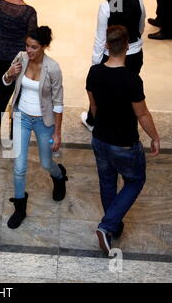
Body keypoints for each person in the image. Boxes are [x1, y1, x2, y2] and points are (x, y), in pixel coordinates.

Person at [86, 25, 160, 255]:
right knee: (135, 181)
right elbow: (142, 114)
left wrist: (101, 127)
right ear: (127, 46)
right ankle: (107, 225)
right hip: (124, 143)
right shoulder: (131, 79)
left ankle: (112, 228)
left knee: (107, 182)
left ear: (107, 45)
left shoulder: (94, 72)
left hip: (100, 138)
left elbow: (94, 106)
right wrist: (155, 137)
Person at [4, 26, 68, 229]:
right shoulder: (21, 58)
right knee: (19, 166)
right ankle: (20, 208)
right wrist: (9, 74)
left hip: (44, 121)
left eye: (34, 47)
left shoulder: (53, 68)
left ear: (44, 47)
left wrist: (57, 133)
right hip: (21, 117)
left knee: (46, 162)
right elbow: (6, 82)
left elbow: (58, 103)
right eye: (27, 46)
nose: (28, 51)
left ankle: (59, 177)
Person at [81, 0, 146, 132]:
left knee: (102, 89)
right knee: (128, 87)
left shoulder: (106, 6)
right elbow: (140, 28)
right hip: (134, 54)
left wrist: (95, 63)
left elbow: (101, 38)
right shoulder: (139, 1)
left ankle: (93, 121)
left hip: (111, 55)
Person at [0, 0, 37, 142]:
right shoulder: (29, 13)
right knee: (18, 96)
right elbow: (32, 41)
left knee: (1, 90)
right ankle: (15, 134)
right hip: (19, 60)